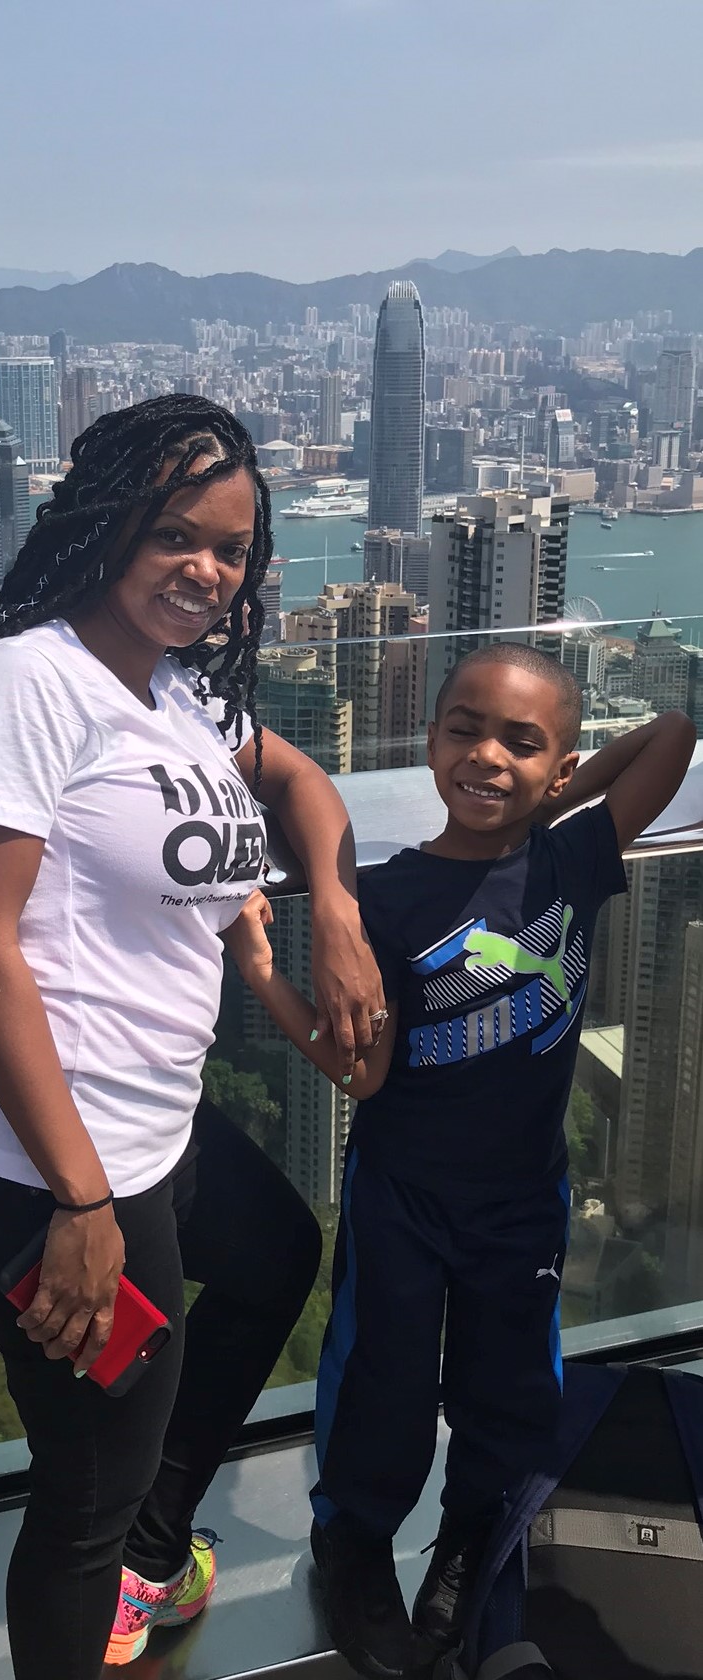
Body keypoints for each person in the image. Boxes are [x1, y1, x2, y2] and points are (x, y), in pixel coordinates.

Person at [0, 394, 384, 1680]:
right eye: (175, 535)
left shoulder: (173, 695)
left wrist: (334, 910)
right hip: (41, 1166)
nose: (205, 571)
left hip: (153, 1127)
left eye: (229, 550)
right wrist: (77, 1201)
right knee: (84, 1498)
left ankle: (154, 1553)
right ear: (107, 523)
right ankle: (128, 1561)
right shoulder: (24, 685)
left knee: (274, 1253)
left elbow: (295, 780)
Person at [225, 640, 695, 1678]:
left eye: (520, 745)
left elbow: (670, 736)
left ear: (560, 772)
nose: (485, 756)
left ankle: (473, 1534)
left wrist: (561, 793)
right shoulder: (388, 901)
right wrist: (262, 970)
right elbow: (363, 1074)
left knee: (508, 1382)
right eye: (464, 732)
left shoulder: (570, 858)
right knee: (380, 1380)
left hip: (523, 1195)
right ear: (430, 741)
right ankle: (353, 1544)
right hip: (403, 1192)